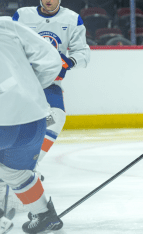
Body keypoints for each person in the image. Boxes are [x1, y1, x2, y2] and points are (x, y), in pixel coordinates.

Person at [0, 17, 63, 233]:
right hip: (33, 119)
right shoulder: (6, 24)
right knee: (15, 173)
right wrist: (31, 86)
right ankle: (45, 215)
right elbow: (52, 59)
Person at [12, 0, 91, 169]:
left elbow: (83, 53)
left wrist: (69, 62)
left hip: (49, 83)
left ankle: (27, 165)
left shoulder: (72, 19)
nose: (49, 0)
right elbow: (8, 44)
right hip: (21, 82)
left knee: (55, 117)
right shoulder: (23, 15)